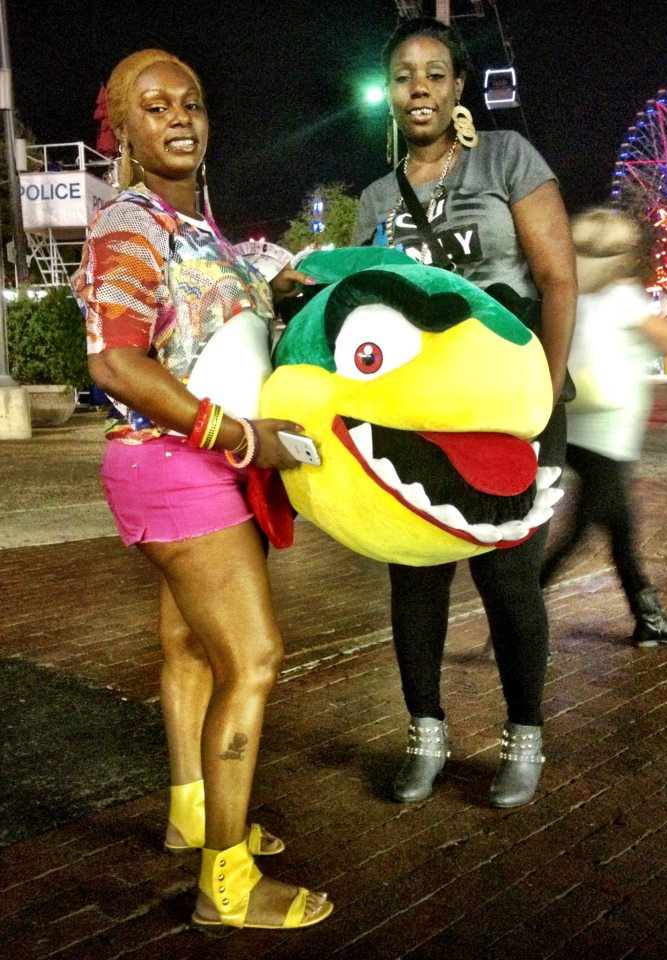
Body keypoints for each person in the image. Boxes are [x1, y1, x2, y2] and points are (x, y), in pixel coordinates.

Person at [72, 49, 332, 933]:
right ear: (124, 129)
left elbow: (226, 308)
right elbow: (115, 361)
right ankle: (225, 885)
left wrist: (284, 280)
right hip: (179, 466)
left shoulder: (199, 230)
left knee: (188, 644)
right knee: (252, 659)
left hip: (190, 467)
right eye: (154, 107)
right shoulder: (130, 223)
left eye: (190, 102)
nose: (179, 116)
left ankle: (192, 811)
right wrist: (241, 436)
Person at [352, 17, 577, 808]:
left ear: (456, 86)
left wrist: (544, 391)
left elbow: (557, 279)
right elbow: (364, 311)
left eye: (434, 72)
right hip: (415, 415)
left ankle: (524, 736)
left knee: (508, 576)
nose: (418, 87)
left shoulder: (506, 158)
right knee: (414, 573)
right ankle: (425, 733)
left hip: (512, 407)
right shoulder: (375, 199)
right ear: (389, 94)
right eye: (402, 75)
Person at [540, 207, 667, 648]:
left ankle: (648, 619)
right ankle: (515, 619)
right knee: (584, 535)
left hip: (576, 430)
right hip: (608, 438)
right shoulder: (622, 297)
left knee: (615, 531)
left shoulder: (568, 295)